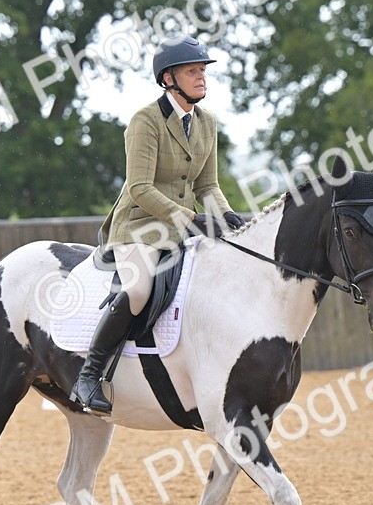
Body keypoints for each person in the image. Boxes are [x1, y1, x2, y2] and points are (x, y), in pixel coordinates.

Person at [70, 36, 246, 417]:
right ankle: (89, 375)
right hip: (140, 226)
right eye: (192, 72)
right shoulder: (145, 121)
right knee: (137, 288)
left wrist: (227, 217)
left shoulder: (207, 123)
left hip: (185, 227)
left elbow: (207, 186)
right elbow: (140, 187)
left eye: (203, 71)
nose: (201, 78)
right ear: (169, 79)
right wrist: (190, 218)